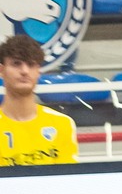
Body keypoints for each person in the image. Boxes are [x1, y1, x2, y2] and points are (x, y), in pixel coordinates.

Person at [0, 34, 75, 166]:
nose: (24, 71)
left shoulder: (62, 124)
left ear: (38, 71)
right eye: (16, 63)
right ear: (2, 70)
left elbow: (67, 177)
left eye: (31, 64)